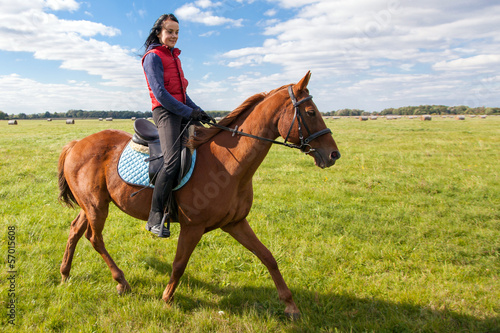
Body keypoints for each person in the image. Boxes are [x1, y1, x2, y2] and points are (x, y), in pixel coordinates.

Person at [142, 13, 214, 237]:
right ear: (159, 33)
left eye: (177, 32)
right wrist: (187, 111)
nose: (174, 36)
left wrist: (198, 111)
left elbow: (183, 94)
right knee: (172, 162)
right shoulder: (152, 57)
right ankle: (154, 216)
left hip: (180, 110)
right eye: (170, 32)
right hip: (164, 113)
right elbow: (162, 95)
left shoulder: (175, 57)